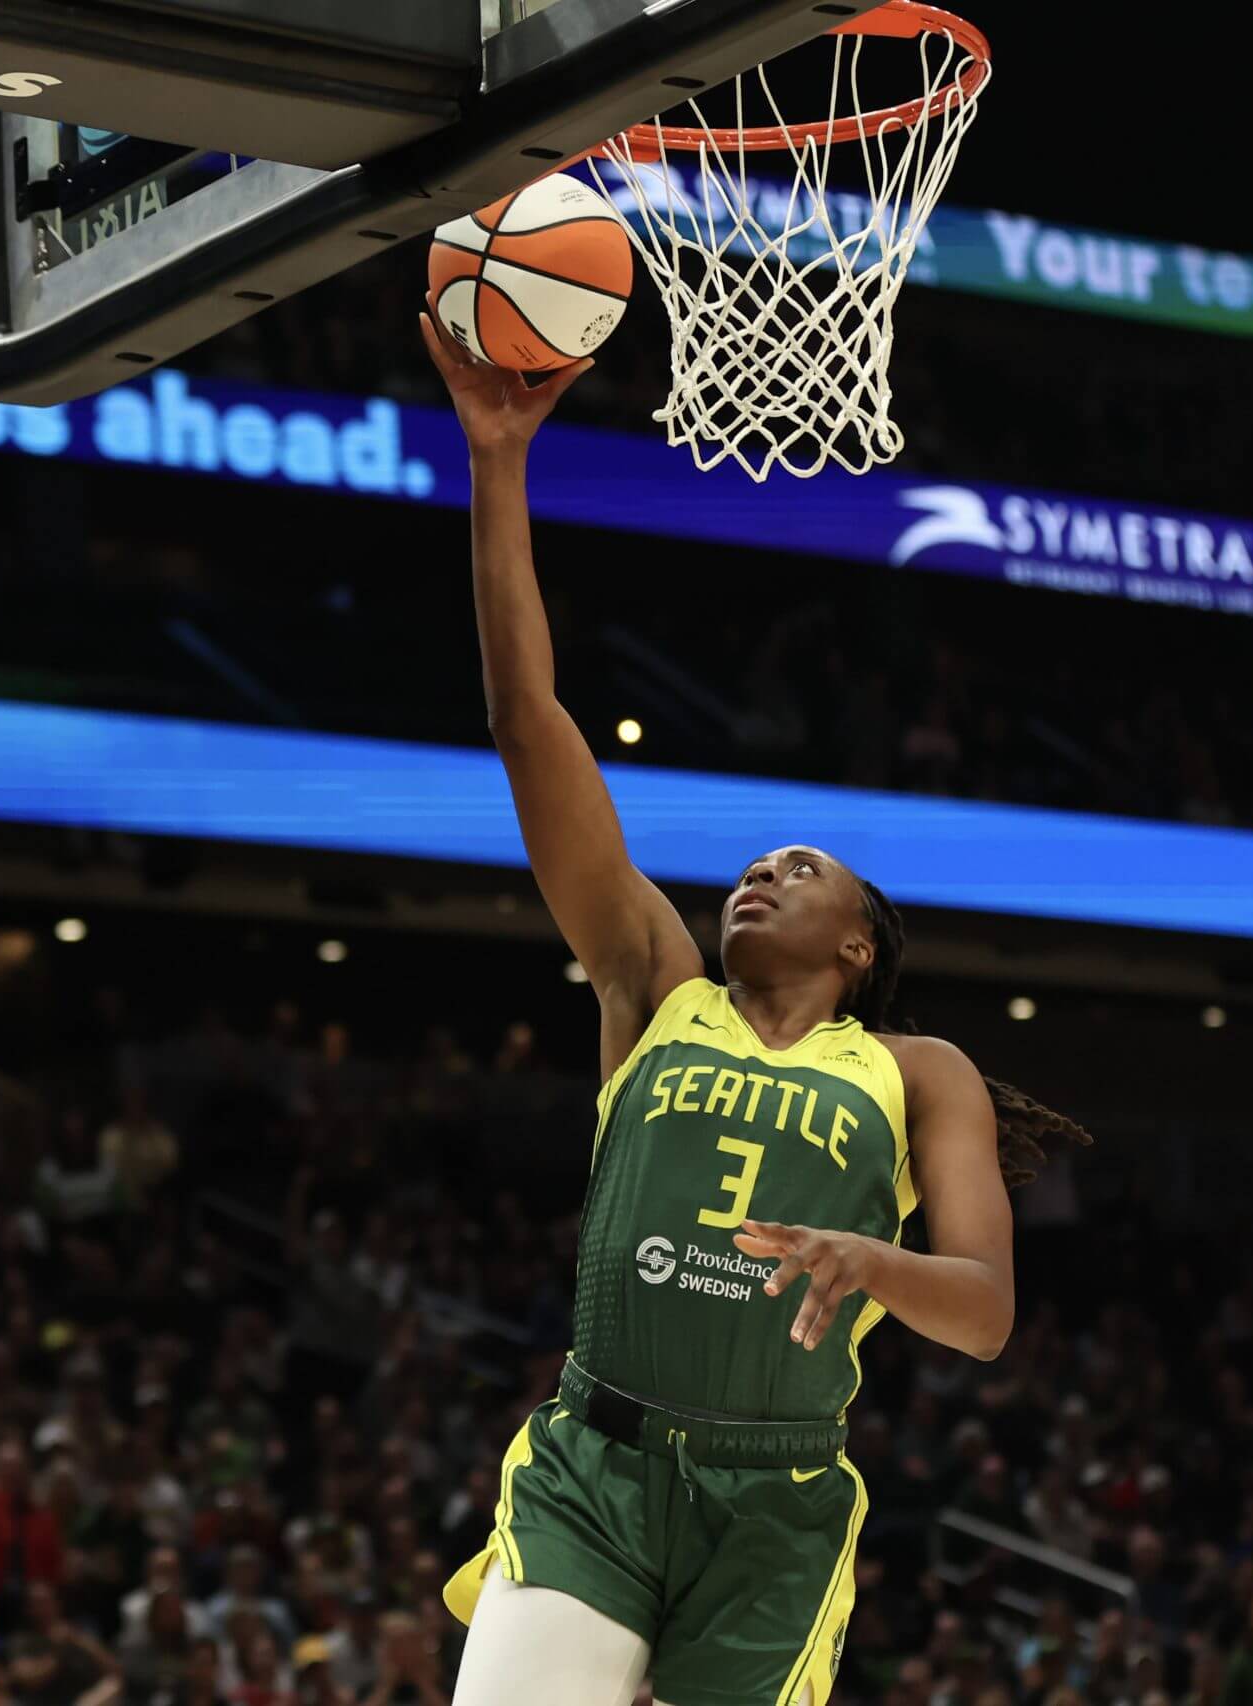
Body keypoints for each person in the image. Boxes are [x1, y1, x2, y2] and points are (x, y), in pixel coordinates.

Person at [418, 318, 1090, 1706]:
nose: (758, 872)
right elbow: (528, 717)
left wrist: (870, 1259)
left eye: (801, 866)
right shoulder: (653, 983)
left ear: (857, 939)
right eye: (751, 861)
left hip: (772, 1504)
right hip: (595, 1467)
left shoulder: (918, 1070)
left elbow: (983, 1313)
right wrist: (497, 462)